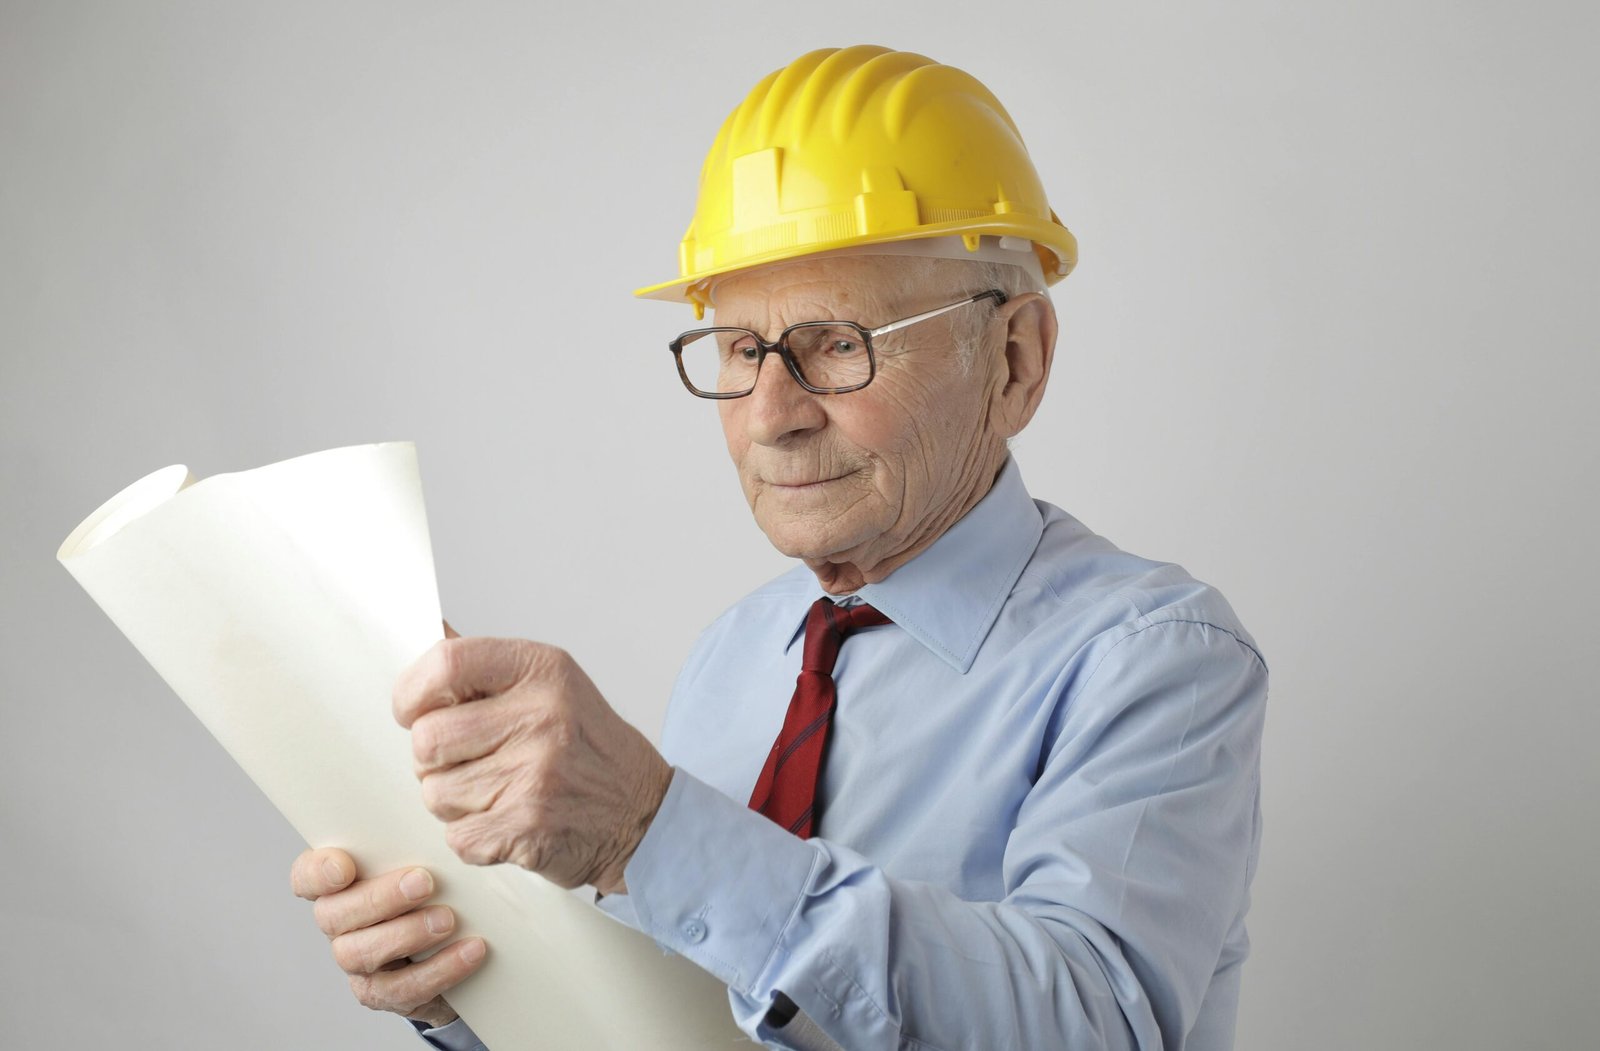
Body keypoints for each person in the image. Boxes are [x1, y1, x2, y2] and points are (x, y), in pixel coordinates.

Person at [289, 45, 1267, 1051]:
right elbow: (687, 1025)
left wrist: (650, 831)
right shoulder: (737, 656)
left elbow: (1093, 1026)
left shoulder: (1156, 656)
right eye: (742, 349)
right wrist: (475, 980)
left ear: (1014, 359)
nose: (769, 416)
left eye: (838, 343)